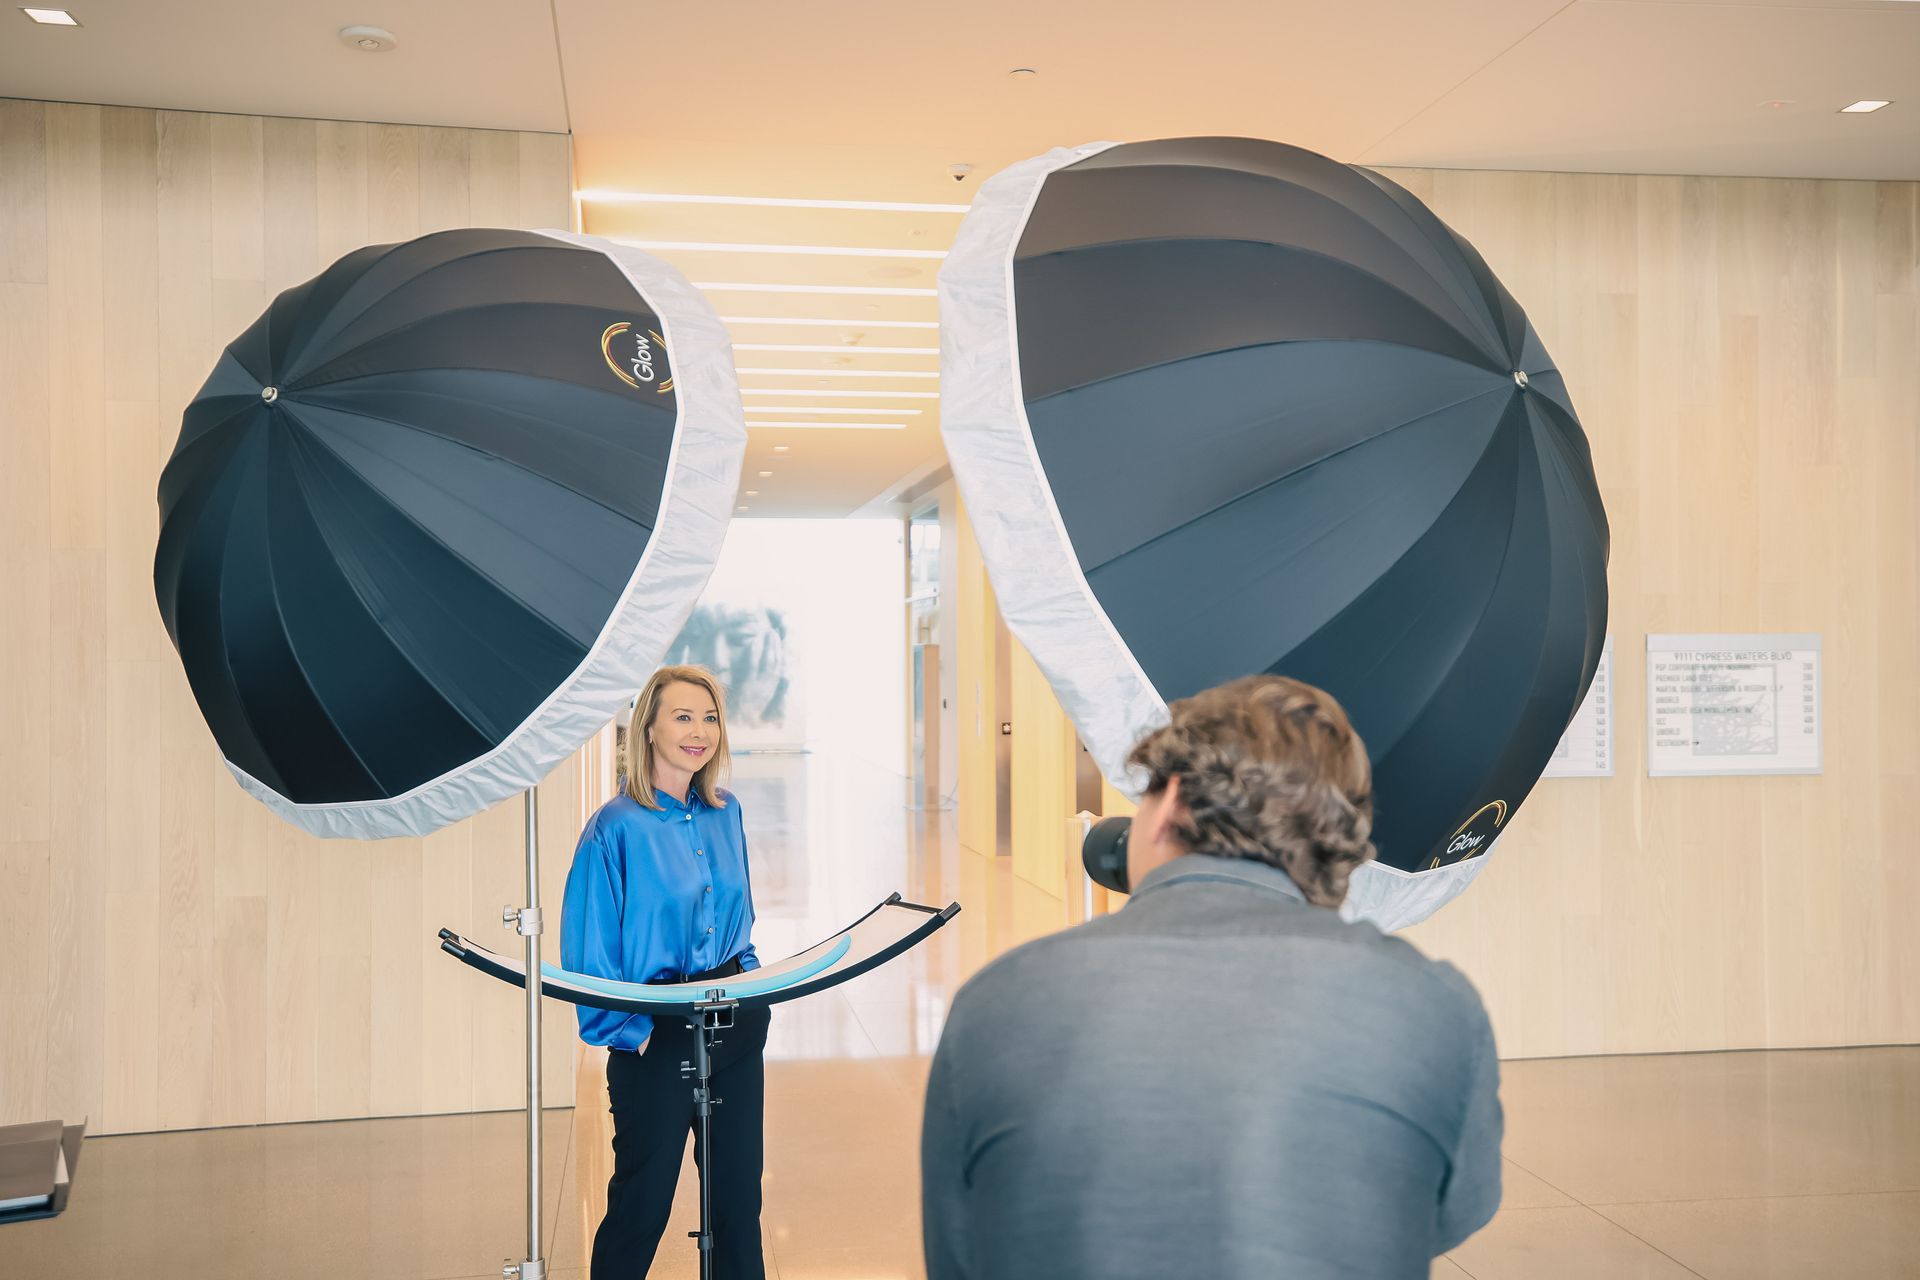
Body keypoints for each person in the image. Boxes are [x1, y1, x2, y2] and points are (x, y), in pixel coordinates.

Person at [920, 675, 1503, 1280]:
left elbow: (957, 1250)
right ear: (1338, 841)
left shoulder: (998, 1002)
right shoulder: (1435, 1005)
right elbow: (1445, 1215)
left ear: (1170, 802)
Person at [562, 664, 769, 1280]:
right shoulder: (614, 829)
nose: (699, 731)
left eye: (710, 718)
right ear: (647, 728)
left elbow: (742, 915)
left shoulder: (725, 811)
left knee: (737, 1203)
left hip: (734, 1023)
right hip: (656, 1032)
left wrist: (754, 988)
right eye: (683, 716)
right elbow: (588, 953)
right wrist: (632, 1033)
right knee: (641, 1204)